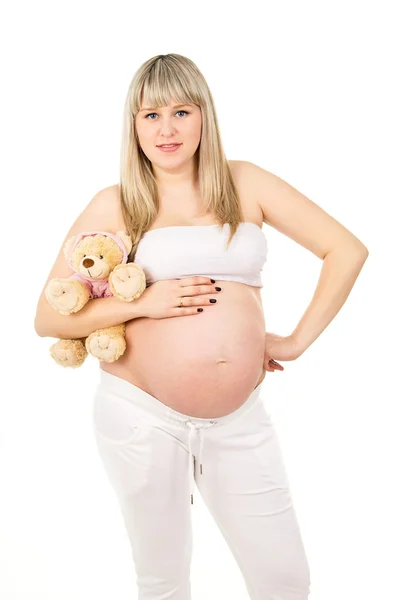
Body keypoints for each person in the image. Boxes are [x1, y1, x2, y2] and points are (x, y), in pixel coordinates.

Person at [34, 53, 369, 600]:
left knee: (285, 579)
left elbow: (346, 250)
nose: (166, 129)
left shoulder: (246, 181)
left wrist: (297, 341)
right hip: (140, 412)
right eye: (150, 115)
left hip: (239, 417)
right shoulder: (116, 203)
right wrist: (144, 303)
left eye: (181, 111)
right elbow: (48, 316)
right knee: (163, 579)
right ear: (133, 125)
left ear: (203, 115)